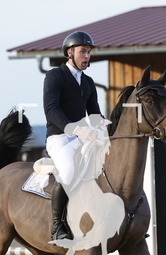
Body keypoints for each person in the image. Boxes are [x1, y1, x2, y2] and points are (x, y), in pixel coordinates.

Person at [43, 31, 101, 241]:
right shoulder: (55, 76)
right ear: (70, 52)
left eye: (89, 52)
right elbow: (51, 110)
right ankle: (57, 226)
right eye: (82, 51)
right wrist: (76, 130)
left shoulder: (88, 82)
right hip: (59, 138)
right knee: (67, 171)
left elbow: (95, 115)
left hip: (82, 138)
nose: (87, 56)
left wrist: (107, 130)